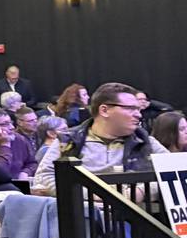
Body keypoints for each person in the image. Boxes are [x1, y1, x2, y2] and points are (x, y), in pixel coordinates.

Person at [32, 82, 164, 194]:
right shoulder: (67, 140)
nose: (138, 115)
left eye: (138, 109)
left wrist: (140, 192)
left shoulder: (146, 142)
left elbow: (178, 175)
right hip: (85, 216)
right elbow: (43, 178)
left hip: (137, 217)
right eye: (130, 109)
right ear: (104, 110)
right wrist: (94, 194)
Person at [0, 106, 35, 180]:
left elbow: (32, 163)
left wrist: (25, 172)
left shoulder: (18, 139)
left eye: (10, 123)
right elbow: (0, 176)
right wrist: (4, 146)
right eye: (5, 124)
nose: (12, 127)